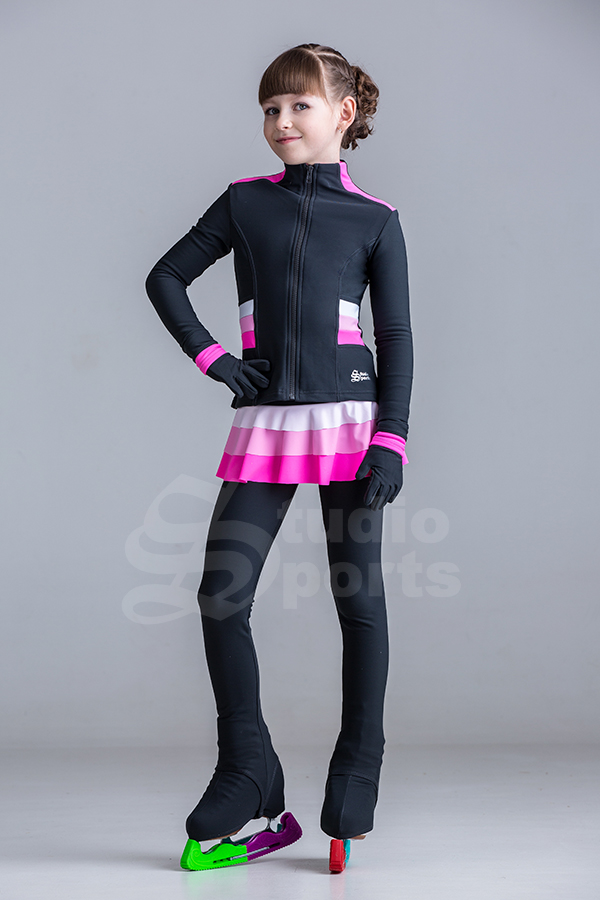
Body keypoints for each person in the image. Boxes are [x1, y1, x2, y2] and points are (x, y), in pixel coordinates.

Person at [145, 42, 413, 873]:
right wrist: (214, 359)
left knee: (357, 600)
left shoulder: (375, 219)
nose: (281, 120)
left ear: (344, 113)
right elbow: (165, 278)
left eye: (299, 105)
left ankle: (357, 767)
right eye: (270, 108)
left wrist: (392, 438)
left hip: (351, 427)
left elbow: (396, 335)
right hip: (265, 423)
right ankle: (247, 767)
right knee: (221, 596)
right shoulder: (244, 202)